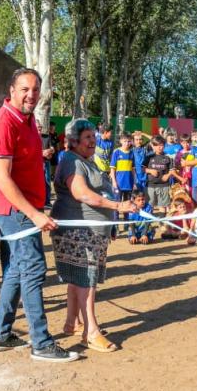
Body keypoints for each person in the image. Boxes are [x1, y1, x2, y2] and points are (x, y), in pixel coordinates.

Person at [0, 67, 78, 362]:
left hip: (27, 207)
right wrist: (34, 214)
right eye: (25, 89)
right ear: (11, 90)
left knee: (17, 269)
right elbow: (2, 179)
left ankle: (0, 334)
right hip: (15, 210)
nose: (31, 95)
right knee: (35, 269)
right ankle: (41, 342)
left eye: (36, 89)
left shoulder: (27, 122)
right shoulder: (3, 123)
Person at [50, 118, 137, 352]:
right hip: (78, 231)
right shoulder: (71, 161)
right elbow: (82, 194)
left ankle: (72, 322)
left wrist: (110, 223)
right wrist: (118, 207)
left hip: (90, 231)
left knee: (78, 279)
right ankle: (91, 332)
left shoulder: (84, 161)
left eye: (93, 136)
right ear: (74, 141)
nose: (93, 141)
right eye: (87, 137)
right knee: (85, 281)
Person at [143, 135, 181, 214]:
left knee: (163, 207)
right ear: (153, 146)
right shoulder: (148, 156)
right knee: (150, 206)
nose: (159, 147)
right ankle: (148, 225)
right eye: (157, 145)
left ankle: (162, 224)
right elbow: (142, 169)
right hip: (151, 185)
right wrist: (150, 170)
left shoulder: (168, 157)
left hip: (164, 186)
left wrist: (167, 176)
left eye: (161, 145)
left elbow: (172, 170)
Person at [110, 132, 134, 203]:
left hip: (129, 183)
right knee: (117, 203)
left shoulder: (131, 153)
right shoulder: (116, 152)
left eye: (129, 141)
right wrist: (114, 182)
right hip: (118, 184)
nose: (127, 143)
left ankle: (126, 214)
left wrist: (134, 182)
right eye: (125, 141)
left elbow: (133, 170)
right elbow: (112, 168)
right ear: (121, 141)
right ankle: (116, 215)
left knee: (127, 203)